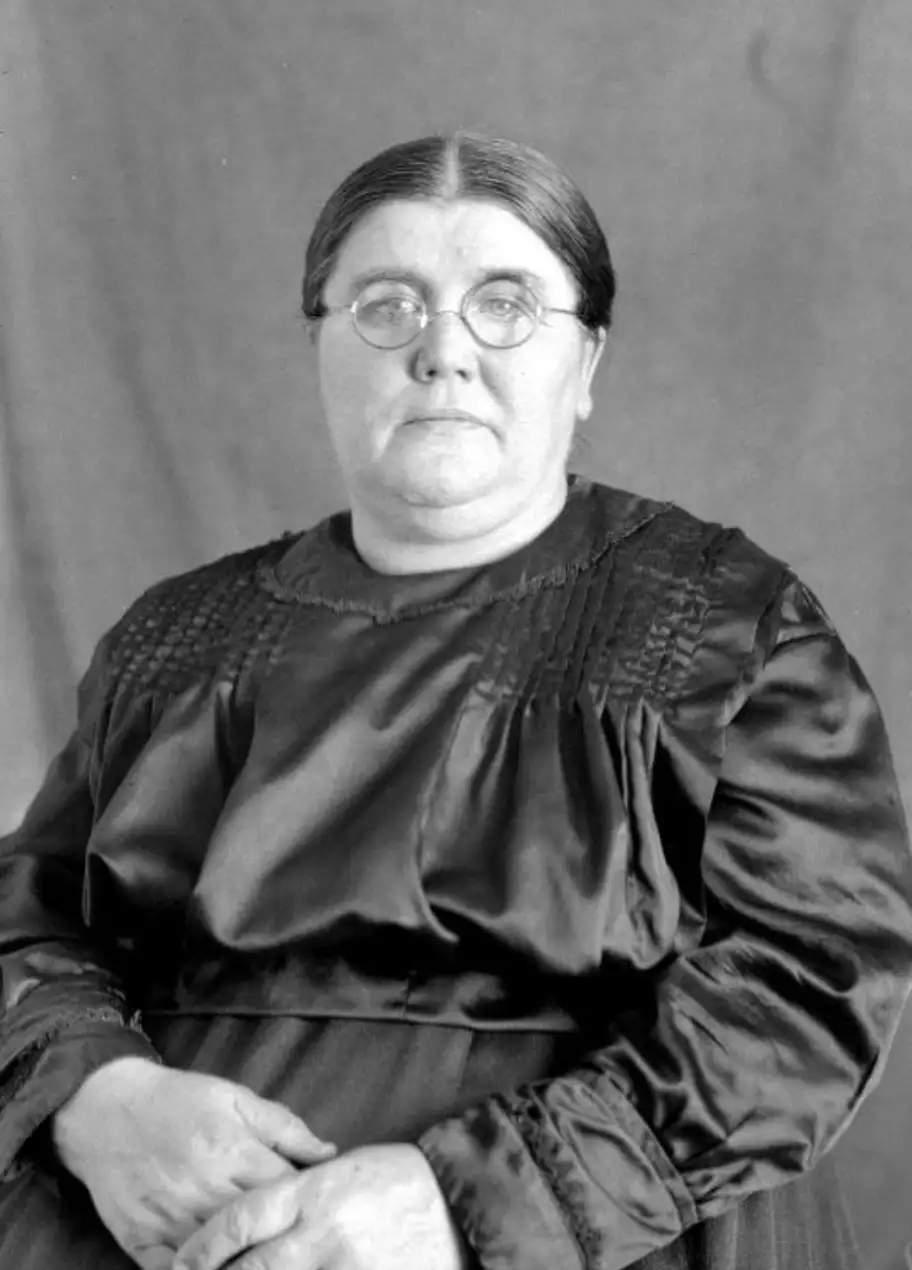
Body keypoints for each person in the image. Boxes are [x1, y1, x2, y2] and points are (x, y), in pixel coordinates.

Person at [0, 131, 910, 1270]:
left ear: (586, 361)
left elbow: (808, 983)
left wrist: (468, 1202)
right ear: (319, 346)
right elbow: (27, 917)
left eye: (505, 305)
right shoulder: (173, 638)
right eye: (387, 306)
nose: (443, 352)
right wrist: (96, 1096)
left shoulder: (731, 624)